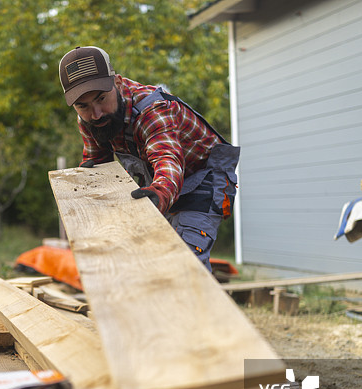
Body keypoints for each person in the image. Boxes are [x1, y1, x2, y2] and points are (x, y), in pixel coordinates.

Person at [58, 46, 239, 271]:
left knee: (185, 264)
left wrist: (159, 194)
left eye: (101, 99)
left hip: (201, 178)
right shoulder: (88, 120)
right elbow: (98, 163)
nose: (96, 114)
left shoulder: (152, 109)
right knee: (147, 261)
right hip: (156, 183)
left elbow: (167, 159)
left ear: (117, 83)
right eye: (83, 106)